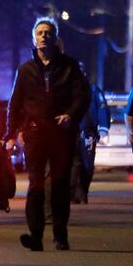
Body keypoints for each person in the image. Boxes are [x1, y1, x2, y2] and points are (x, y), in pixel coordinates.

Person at [5, 17, 89, 251]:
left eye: (48, 32)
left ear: (55, 37)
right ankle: (36, 236)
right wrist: (10, 135)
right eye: (40, 32)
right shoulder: (25, 70)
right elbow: (15, 103)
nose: (43, 36)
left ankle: (60, 235)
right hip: (34, 134)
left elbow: (82, 96)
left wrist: (71, 115)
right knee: (35, 184)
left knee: (60, 184)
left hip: (61, 134)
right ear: (34, 38)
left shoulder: (69, 66)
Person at [71, 62, 110, 204]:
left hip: (87, 133)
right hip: (71, 133)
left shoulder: (93, 90)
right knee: (72, 164)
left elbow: (102, 107)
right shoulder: (66, 90)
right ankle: (72, 193)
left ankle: (82, 191)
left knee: (87, 164)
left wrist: (103, 127)